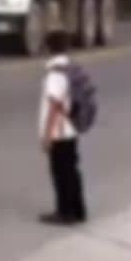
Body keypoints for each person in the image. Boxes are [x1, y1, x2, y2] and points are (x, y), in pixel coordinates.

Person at [38, 30, 88, 225]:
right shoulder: (70, 68)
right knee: (72, 171)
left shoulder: (55, 74)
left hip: (59, 131)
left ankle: (64, 212)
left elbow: (53, 105)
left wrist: (47, 136)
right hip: (71, 128)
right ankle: (78, 210)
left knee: (60, 173)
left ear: (49, 48)